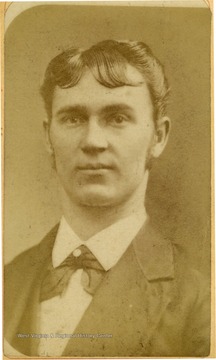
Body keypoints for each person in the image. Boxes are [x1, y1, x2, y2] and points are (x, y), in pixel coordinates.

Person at [4, 39, 210, 357]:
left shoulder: (201, 295)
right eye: (73, 118)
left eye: (117, 118)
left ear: (158, 137)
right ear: (48, 136)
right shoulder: (8, 279)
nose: (93, 141)